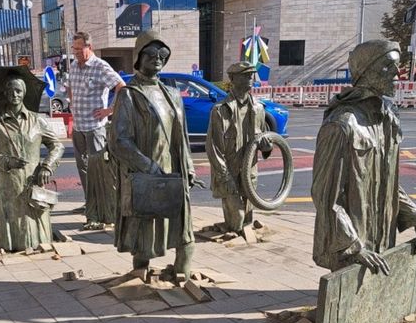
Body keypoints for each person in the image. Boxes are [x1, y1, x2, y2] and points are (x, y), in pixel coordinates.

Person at [311, 39, 416, 274]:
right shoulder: (342, 125)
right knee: (342, 306)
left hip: (382, 238)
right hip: (350, 246)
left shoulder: (388, 120)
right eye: (388, 66)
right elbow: (325, 197)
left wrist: (415, 217)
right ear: (366, 71)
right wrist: (354, 247)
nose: (398, 72)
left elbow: (390, 183)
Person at [109, 30, 196, 279]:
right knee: (143, 224)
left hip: (174, 170)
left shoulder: (172, 94)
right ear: (139, 56)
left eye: (163, 54)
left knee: (182, 225)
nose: (157, 58)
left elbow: (183, 137)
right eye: (151, 53)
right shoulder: (129, 94)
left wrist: (188, 166)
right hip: (146, 171)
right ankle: (140, 271)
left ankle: (182, 270)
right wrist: (146, 165)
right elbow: (119, 140)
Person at [0, 75, 64, 252]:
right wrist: (5, 161)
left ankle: (39, 244)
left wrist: (47, 166)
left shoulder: (37, 120)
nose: (14, 95)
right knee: (13, 219)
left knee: (36, 221)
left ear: (24, 93)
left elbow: (57, 145)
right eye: (10, 91)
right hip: (8, 181)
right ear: (5, 94)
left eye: (18, 90)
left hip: (34, 179)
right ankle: (15, 246)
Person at [68, 31, 125, 229]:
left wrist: (110, 110)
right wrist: (72, 104)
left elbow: (121, 86)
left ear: (88, 47)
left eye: (78, 49)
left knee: (99, 168)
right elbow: (70, 87)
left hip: (95, 128)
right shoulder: (74, 66)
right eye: (73, 49)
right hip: (78, 127)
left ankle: (104, 205)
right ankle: (90, 202)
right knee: (83, 168)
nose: (75, 52)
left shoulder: (100, 66)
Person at [206, 61, 271, 233]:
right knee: (238, 221)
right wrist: (224, 176)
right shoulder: (220, 110)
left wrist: (266, 146)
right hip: (228, 173)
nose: (250, 78)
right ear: (233, 78)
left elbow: (266, 141)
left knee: (247, 223)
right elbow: (213, 147)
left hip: (249, 173)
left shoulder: (258, 109)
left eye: (251, 75)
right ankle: (230, 226)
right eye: (245, 75)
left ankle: (239, 232)